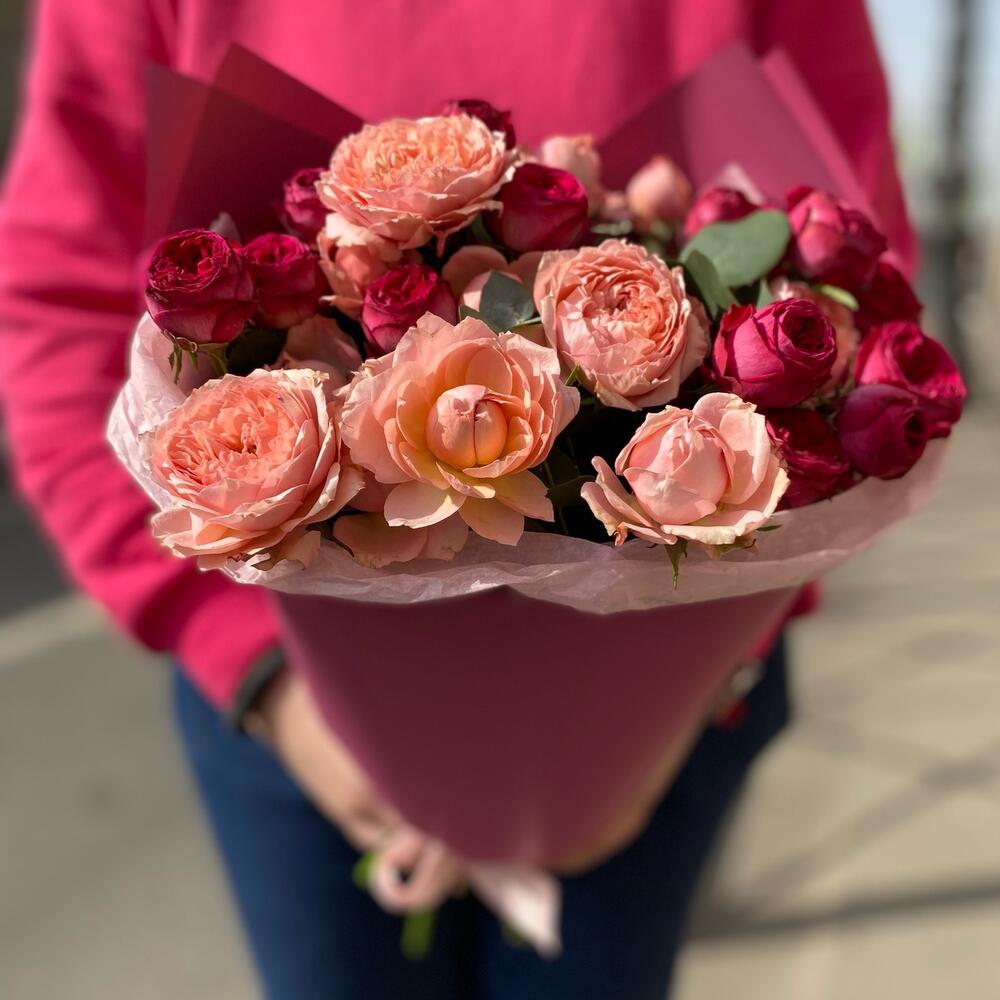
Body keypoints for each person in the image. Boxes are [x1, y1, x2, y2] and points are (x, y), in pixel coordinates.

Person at [0, 2, 912, 997]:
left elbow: (859, 279)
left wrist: (700, 677)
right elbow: (62, 301)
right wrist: (258, 668)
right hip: (288, 688)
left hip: (668, 708)